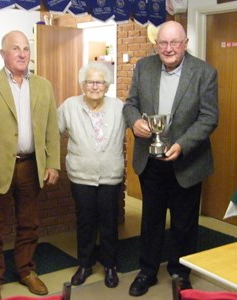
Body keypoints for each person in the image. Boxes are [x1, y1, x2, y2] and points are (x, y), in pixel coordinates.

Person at [123, 20, 218, 297]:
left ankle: (180, 272)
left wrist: (182, 144)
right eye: (163, 43)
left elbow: (209, 117)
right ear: (156, 45)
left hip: (187, 162)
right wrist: (135, 122)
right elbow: (131, 104)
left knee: (184, 223)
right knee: (150, 219)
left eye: (175, 42)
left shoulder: (204, 72)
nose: (169, 48)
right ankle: (147, 271)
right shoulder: (143, 67)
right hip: (150, 161)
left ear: (185, 43)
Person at [0, 30, 60, 300]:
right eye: (15, 48)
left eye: (26, 49)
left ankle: (26, 270)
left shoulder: (43, 85)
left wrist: (52, 162)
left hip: (31, 167)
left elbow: (51, 129)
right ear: (3, 54)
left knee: (29, 224)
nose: (22, 53)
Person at [58, 61, 126, 288]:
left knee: (109, 221)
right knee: (85, 221)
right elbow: (52, 130)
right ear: (82, 84)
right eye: (89, 82)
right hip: (81, 175)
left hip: (110, 175)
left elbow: (139, 128)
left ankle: (110, 265)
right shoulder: (69, 106)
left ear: (106, 86)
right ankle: (85, 264)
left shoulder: (119, 107)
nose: (94, 86)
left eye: (99, 82)